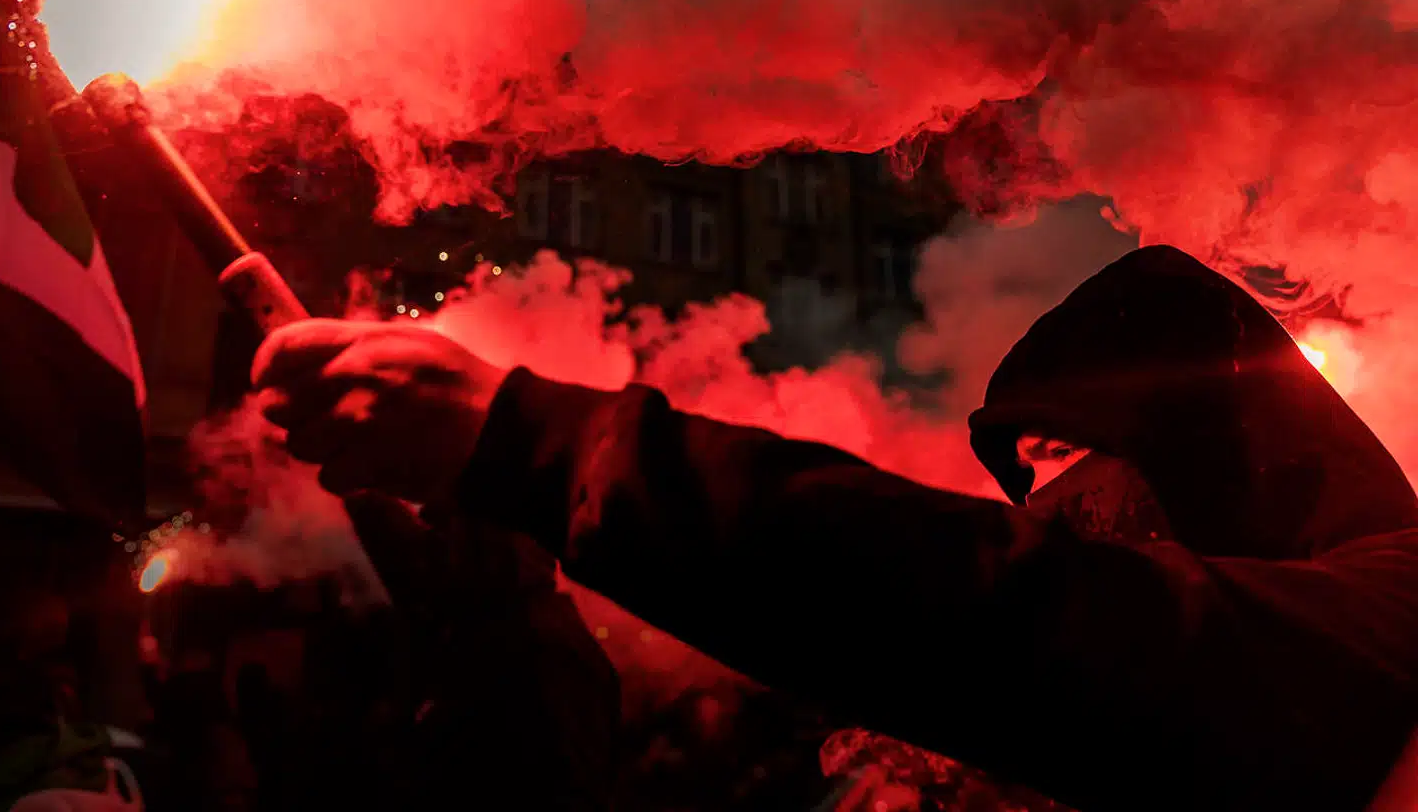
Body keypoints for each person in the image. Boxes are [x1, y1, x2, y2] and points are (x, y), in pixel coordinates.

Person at [252, 245, 1418, 811]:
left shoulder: (1380, 625)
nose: (1036, 508)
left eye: (1059, 454)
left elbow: (998, 613)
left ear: (1195, 445)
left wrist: (534, 444)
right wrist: (505, 633)